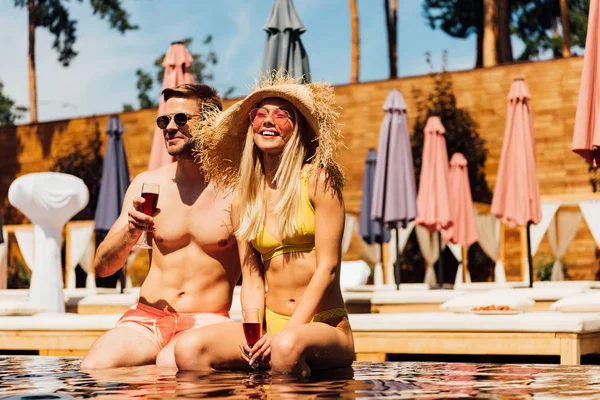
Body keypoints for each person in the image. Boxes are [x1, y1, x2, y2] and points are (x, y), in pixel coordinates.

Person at [176, 72, 355, 376]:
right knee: (189, 349)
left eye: (281, 114)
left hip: (323, 324)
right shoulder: (243, 199)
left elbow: (328, 268)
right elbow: (251, 276)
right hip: (271, 325)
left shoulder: (318, 181)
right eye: (259, 114)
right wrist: (253, 332)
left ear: (296, 128)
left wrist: (287, 333)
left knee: (286, 347)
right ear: (251, 127)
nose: (268, 121)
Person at [81, 84, 246, 369]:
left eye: (181, 119)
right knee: (95, 366)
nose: (170, 127)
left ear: (211, 124)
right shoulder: (148, 184)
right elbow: (102, 267)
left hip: (204, 321)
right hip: (148, 318)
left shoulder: (237, 191)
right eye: (164, 120)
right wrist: (131, 231)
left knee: (171, 366)